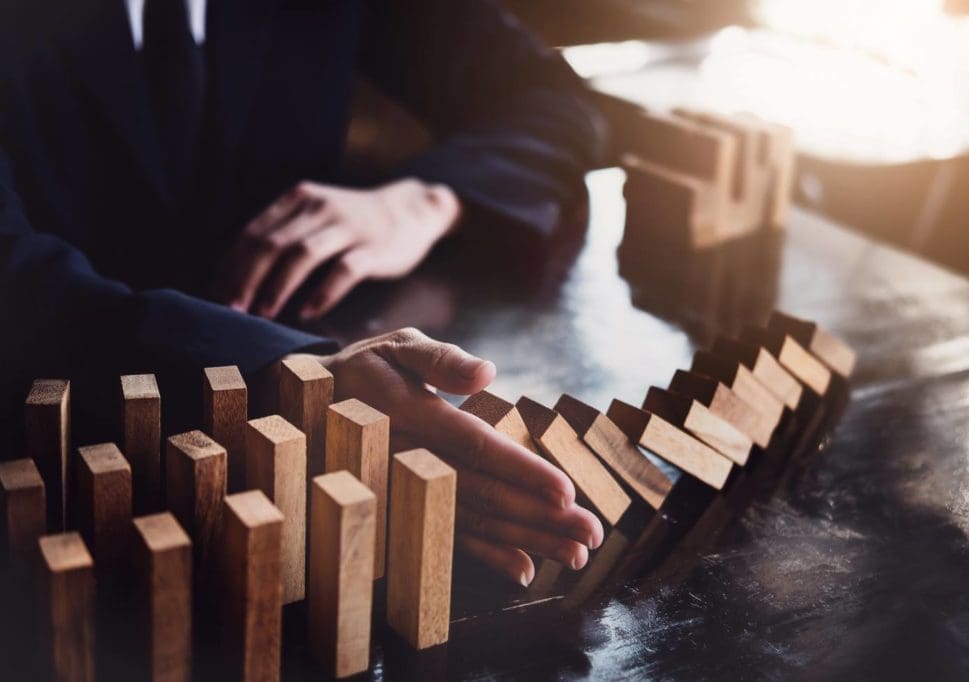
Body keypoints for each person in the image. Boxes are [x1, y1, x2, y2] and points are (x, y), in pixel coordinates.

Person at [0, 0, 607, 584]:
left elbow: (555, 100)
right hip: (48, 492)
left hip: (283, 513)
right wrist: (277, 377)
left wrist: (425, 200)